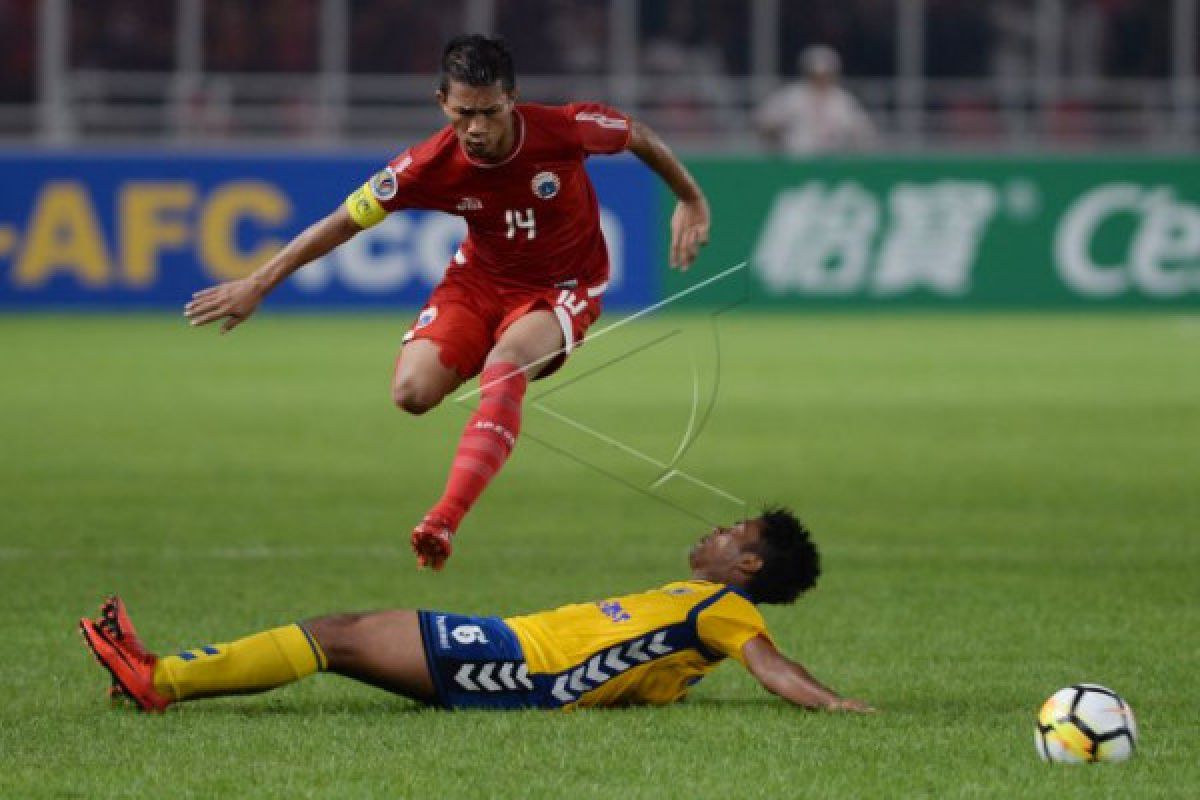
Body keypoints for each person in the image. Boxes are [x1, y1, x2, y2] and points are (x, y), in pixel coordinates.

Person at [183, 35, 711, 571]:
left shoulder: (565, 128)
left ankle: (443, 519)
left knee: (504, 369)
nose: (476, 128)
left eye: (489, 111)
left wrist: (690, 198)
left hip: (563, 285)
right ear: (442, 103)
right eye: (463, 114)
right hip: (479, 282)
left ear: (512, 97)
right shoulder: (426, 165)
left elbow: (637, 136)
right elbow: (343, 221)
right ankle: (495, 370)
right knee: (411, 393)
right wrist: (260, 282)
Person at [79, 509, 873, 714]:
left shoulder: (726, 612)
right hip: (517, 651)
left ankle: (161, 680)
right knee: (343, 636)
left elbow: (772, 664)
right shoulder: (698, 609)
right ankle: (159, 677)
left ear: (748, 566)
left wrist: (832, 701)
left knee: (338, 636)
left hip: (521, 665)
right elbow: (652, 672)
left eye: (730, 531)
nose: (712, 530)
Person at [756, 45, 877, 155]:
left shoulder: (843, 100)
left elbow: (863, 132)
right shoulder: (790, 97)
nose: (820, 80)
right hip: (797, 161)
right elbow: (764, 124)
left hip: (833, 162)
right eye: (815, 75)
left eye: (825, 75)